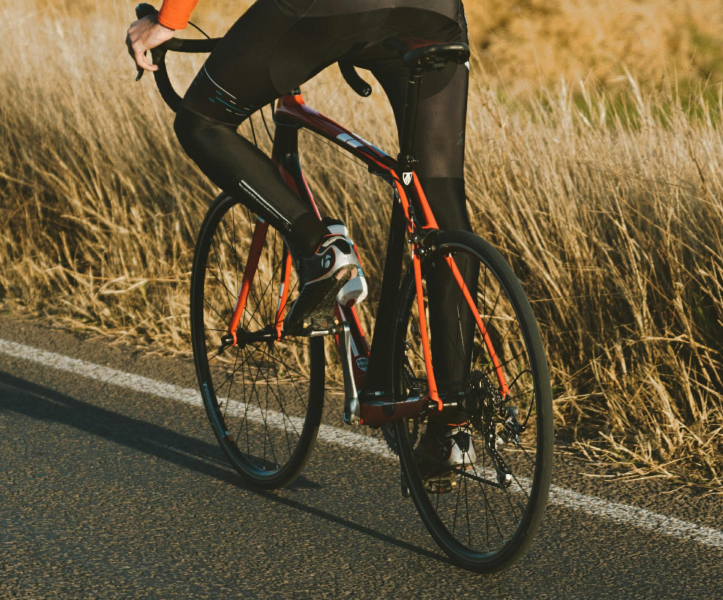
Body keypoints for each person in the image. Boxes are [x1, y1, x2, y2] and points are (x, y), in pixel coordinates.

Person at [125, 0, 474, 490]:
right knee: (436, 200)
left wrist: (168, 22)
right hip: (433, 9)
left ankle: (319, 248)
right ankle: (453, 421)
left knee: (200, 122)